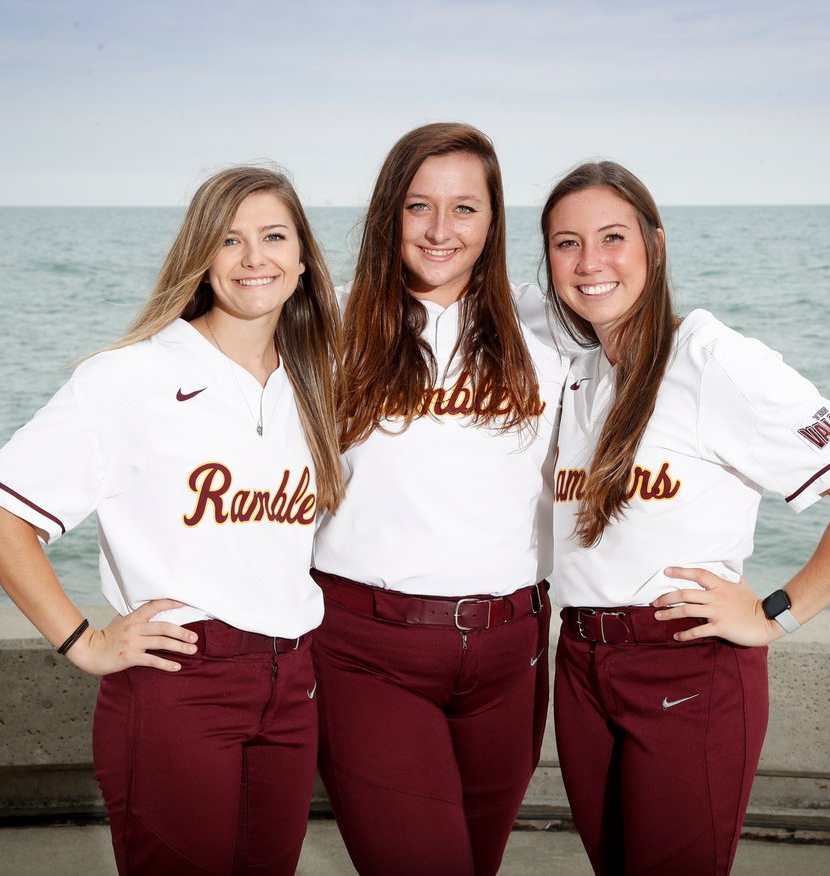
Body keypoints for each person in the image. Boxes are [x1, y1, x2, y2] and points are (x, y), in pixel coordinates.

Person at [0, 166, 345, 876]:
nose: (254, 258)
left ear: (303, 257)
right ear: (202, 256)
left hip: (291, 684)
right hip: (181, 685)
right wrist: (85, 642)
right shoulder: (131, 378)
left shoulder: (317, 377)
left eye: (273, 236)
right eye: (230, 240)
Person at [541, 160, 830, 875]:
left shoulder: (714, 360)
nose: (590, 262)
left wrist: (778, 612)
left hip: (686, 662)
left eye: (612, 237)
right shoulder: (580, 367)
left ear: (655, 246)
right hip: (583, 661)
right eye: (566, 243)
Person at [309, 122, 567, 876]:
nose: (440, 230)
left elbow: (652, 357)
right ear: (389, 213)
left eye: (465, 208)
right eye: (419, 206)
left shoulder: (546, 328)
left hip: (511, 655)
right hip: (369, 653)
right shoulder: (328, 327)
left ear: (493, 221)